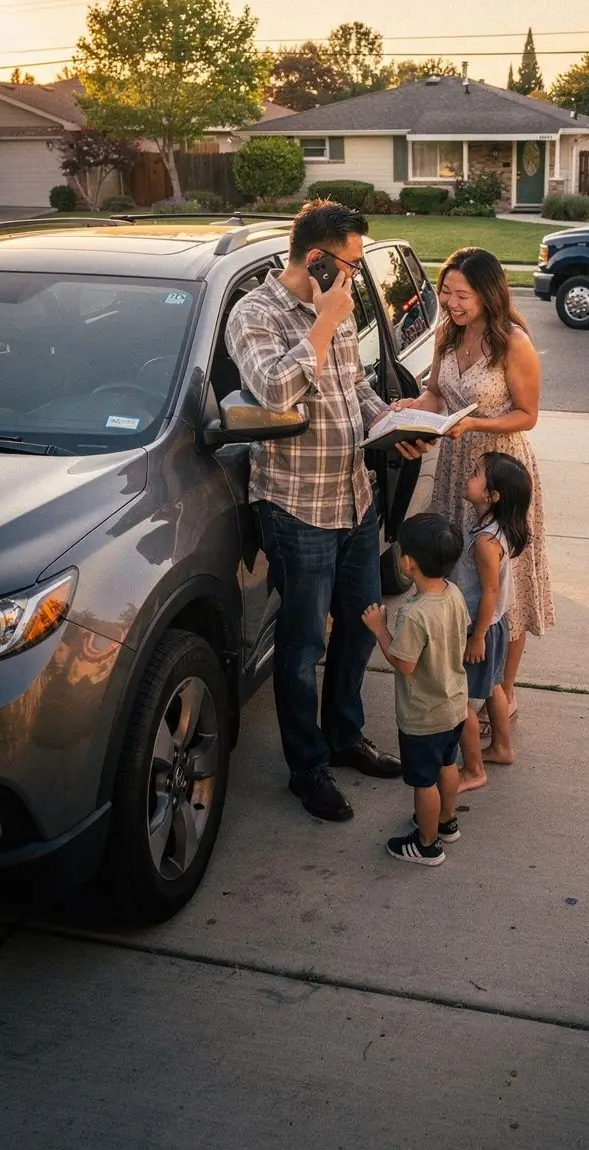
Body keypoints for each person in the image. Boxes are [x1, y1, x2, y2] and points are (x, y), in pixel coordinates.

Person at [225, 200, 425, 823]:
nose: (357, 277)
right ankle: (306, 768)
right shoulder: (254, 314)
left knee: (362, 622)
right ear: (317, 259)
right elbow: (276, 392)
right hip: (297, 507)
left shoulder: (334, 305)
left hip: (355, 497)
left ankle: (344, 735)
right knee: (302, 641)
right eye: (352, 264)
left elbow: (353, 386)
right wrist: (321, 322)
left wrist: (390, 420)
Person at [393, 247, 553, 729]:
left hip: (499, 469)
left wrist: (477, 423)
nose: (452, 302)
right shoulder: (447, 334)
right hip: (457, 470)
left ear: (488, 293)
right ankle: (470, 682)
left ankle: (503, 693)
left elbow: (528, 415)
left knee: (506, 588)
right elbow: (438, 393)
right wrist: (413, 408)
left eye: (462, 294)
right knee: (464, 576)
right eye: (446, 292)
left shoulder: (513, 342)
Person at [362, 513, 468, 867]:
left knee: (423, 782)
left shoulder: (414, 613)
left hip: (423, 716)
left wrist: (379, 628)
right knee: (447, 766)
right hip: (453, 705)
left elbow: (404, 663)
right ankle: (446, 821)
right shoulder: (453, 594)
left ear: (408, 563)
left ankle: (427, 844)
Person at [452, 451, 532, 792]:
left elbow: (487, 592)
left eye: (475, 474)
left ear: (492, 496)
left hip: (479, 628)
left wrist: (477, 637)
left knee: (459, 699)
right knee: (495, 686)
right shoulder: (493, 528)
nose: (468, 476)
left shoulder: (485, 542)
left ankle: (472, 770)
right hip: (495, 625)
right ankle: (502, 748)